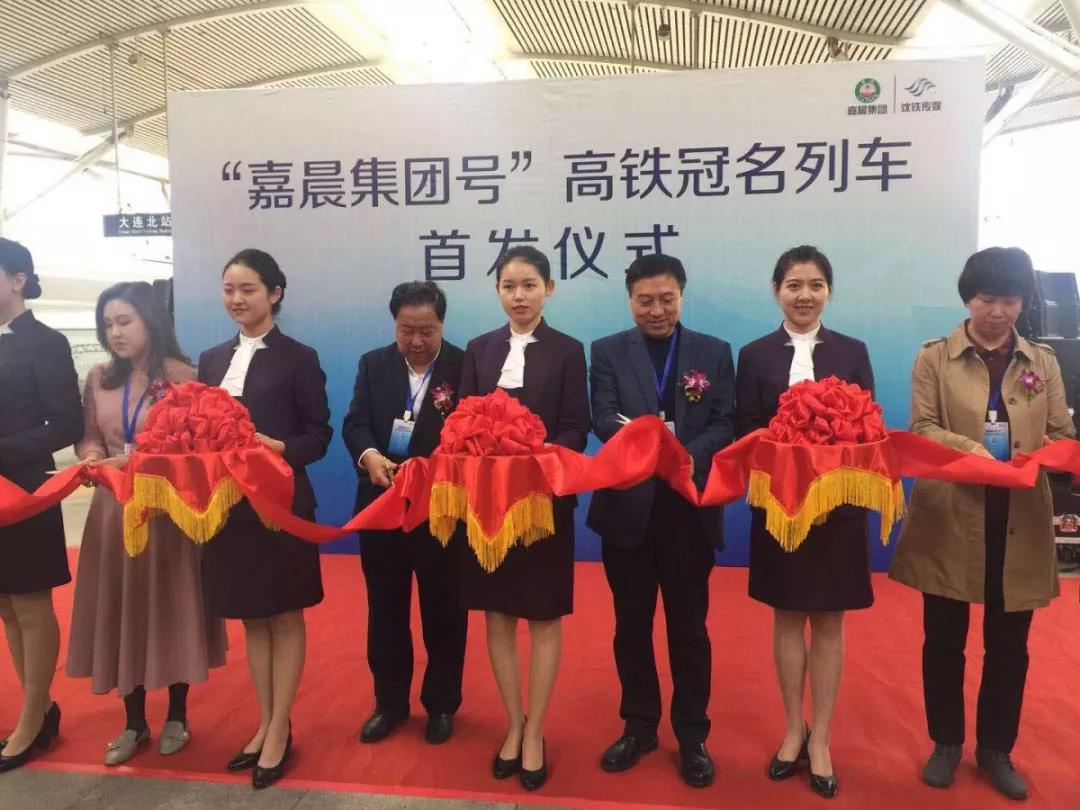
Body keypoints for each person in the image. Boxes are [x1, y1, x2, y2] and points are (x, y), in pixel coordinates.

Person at [889, 247, 1073, 801]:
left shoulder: (1041, 362)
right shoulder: (934, 358)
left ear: (1023, 302)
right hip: (951, 512)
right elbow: (922, 427)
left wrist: (1041, 454)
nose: (998, 311)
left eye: (1009, 300)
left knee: (1009, 645)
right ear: (967, 299)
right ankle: (946, 742)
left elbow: (1060, 431)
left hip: (1018, 517)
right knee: (943, 639)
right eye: (987, 299)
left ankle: (996, 749)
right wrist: (972, 451)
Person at [587, 253, 734, 788]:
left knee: (689, 628)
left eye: (666, 299)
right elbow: (602, 416)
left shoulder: (713, 352)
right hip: (628, 507)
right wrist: (645, 445)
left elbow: (725, 421)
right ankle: (639, 725)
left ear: (682, 296)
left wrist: (684, 456)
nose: (656, 310)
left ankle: (692, 734)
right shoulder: (607, 351)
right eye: (645, 300)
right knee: (631, 625)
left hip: (688, 508)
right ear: (630, 300)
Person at [734, 245, 875, 800]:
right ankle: (794, 729)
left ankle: (823, 739)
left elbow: (869, 428)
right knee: (788, 615)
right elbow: (746, 429)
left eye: (815, 285)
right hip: (781, 508)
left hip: (838, 508)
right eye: (794, 284)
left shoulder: (853, 351)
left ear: (828, 292)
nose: (804, 295)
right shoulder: (754, 355)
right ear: (776, 291)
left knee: (831, 621)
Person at [67, 281, 227, 765]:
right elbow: (88, 437)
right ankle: (134, 721)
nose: (115, 332)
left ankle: (177, 713)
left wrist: (146, 464)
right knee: (123, 609)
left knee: (171, 606)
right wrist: (91, 456)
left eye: (124, 321)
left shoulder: (185, 378)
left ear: (150, 322)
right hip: (113, 511)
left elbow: (197, 450)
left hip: (167, 511)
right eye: (107, 324)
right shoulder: (99, 377)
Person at [198, 249, 332, 789]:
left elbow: (319, 435)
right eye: (229, 289)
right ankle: (266, 720)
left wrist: (282, 448)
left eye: (248, 289)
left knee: (284, 614)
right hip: (228, 507)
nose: (236, 299)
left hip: (280, 505)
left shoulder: (299, 357)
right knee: (252, 616)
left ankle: (280, 728)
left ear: (275, 294)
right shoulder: (211, 359)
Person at [458, 246, 589, 791]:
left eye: (529, 285)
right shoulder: (478, 349)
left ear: (548, 289)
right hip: (488, 506)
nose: (519, 296)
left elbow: (576, 426)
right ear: (497, 291)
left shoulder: (568, 350)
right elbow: (462, 422)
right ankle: (513, 723)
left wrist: (536, 460)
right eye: (509, 286)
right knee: (497, 615)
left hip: (543, 505)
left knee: (543, 616)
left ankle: (537, 730)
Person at [342, 281, 467, 746]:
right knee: (386, 609)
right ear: (394, 324)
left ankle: (442, 704)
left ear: (442, 325)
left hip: (440, 511)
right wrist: (370, 455)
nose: (416, 341)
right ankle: (389, 703)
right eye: (407, 330)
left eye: (426, 331)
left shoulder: (464, 366)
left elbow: (472, 432)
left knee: (444, 610)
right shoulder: (373, 364)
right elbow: (355, 423)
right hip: (382, 504)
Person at [0, 238, 82, 773]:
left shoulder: (46, 342)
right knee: (6, 605)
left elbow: (66, 423)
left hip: (27, 489)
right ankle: (41, 707)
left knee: (30, 603)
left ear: (18, 279)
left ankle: (31, 719)